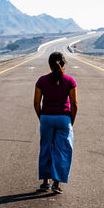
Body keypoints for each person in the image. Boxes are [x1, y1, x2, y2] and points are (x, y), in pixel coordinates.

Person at [33, 51, 78, 194]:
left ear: (49, 65)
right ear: (63, 64)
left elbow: (36, 103)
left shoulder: (41, 80)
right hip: (63, 119)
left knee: (45, 148)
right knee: (62, 150)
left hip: (46, 117)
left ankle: (45, 182)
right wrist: (70, 121)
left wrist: (42, 118)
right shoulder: (70, 81)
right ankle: (56, 184)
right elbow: (74, 104)